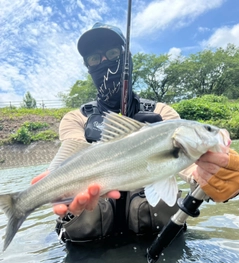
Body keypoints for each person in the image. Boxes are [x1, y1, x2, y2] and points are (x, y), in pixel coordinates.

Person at [31, 23, 202, 243]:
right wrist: (57, 183)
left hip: (155, 241)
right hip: (88, 246)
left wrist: (212, 174)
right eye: (94, 59)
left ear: (127, 58)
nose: (104, 63)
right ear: (88, 66)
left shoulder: (162, 114)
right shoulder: (76, 119)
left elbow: (186, 162)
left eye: (112, 54)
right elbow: (71, 157)